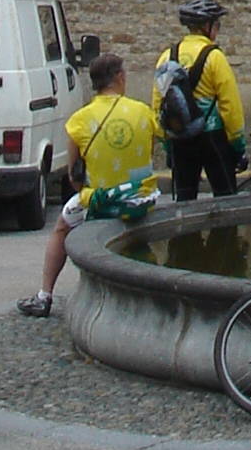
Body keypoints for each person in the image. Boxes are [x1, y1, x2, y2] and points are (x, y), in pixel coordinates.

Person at [17, 53, 159, 316]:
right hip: (142, 196)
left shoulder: (80, 120)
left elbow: (74, 175)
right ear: (119, 77)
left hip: (101, 200)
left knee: (61, 228)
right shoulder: (143, 112)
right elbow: (149, 152)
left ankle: (44, 295)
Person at [153, 0, 245, 201]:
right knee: (226, 197)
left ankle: (186, 233)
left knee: (184, 200)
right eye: (217, 24)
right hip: (212, 136)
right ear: (207, 26)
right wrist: (237, 142)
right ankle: (225, 232)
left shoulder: (167, 56)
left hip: (180, 138)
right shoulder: (214, 56)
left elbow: (158, 104)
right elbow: (230, 105)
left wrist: (166, 141)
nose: (218, 29)